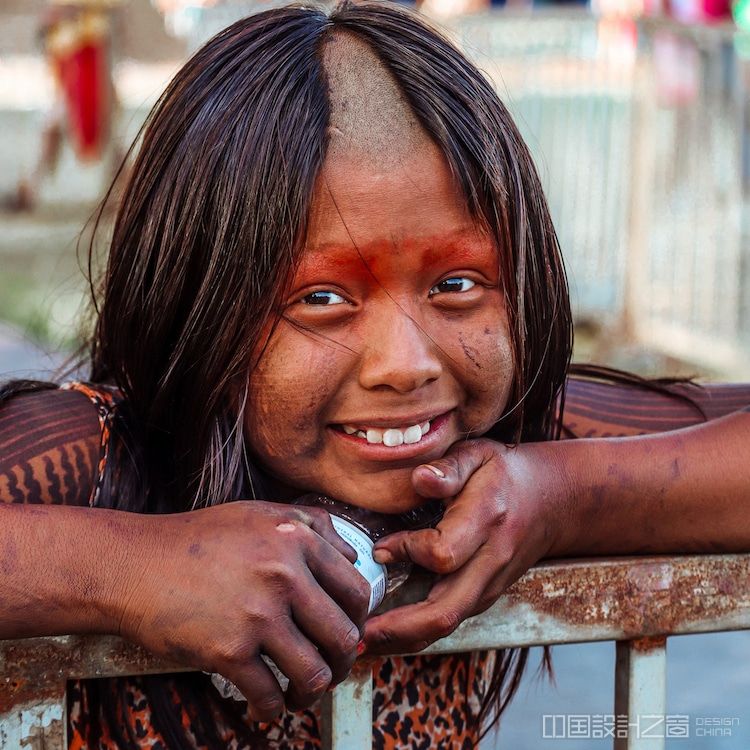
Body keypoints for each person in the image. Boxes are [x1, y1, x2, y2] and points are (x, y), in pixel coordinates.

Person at [0, 2, 748, 748]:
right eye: (321, 298)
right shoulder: (101, 463)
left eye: (457, 285)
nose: (407, 365)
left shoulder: (512, 451)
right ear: (199, 304)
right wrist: (128, 568)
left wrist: (566, 495)